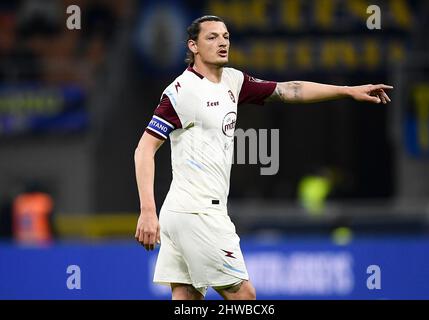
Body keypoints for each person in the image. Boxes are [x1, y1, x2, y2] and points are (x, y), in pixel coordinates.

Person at [134, 15, 393, 300]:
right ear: (193, 46)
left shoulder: (233, 81)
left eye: (226, 36)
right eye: (212, 37)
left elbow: (289, 89)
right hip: (197, 212)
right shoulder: (181, 92)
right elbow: (144, 149)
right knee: (244, 296)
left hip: (185, 212)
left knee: (187, 297)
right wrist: (148, 210)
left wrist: (346, 91)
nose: (222, 42)